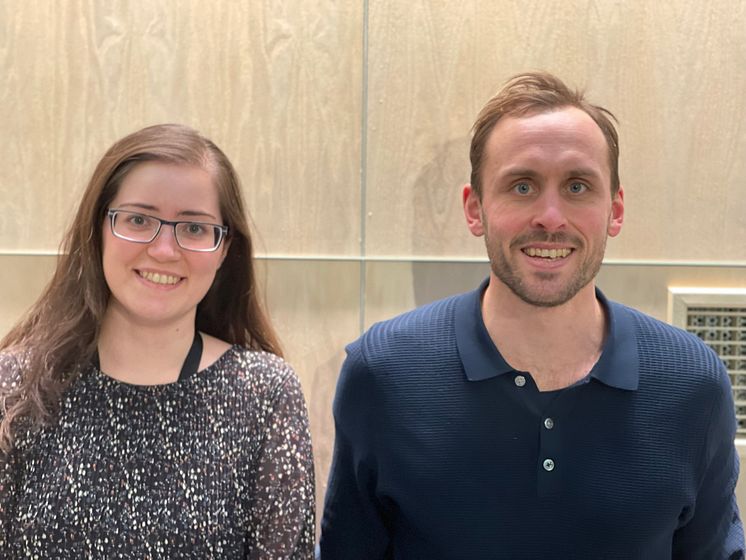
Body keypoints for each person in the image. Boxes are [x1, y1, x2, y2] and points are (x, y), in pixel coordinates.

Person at [319, 72, 744, 558]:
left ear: (615, 210)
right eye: (522, 186)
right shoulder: (382, 373)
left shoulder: (695, 384)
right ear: (474, 208)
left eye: (578, 186)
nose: (550, 217)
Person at [0, 124, 315, 558]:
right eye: (137, 220)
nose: (164, 250)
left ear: (225, 249)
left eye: (195, 229)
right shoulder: (14, 383)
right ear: (97, 231)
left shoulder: (264, 393)